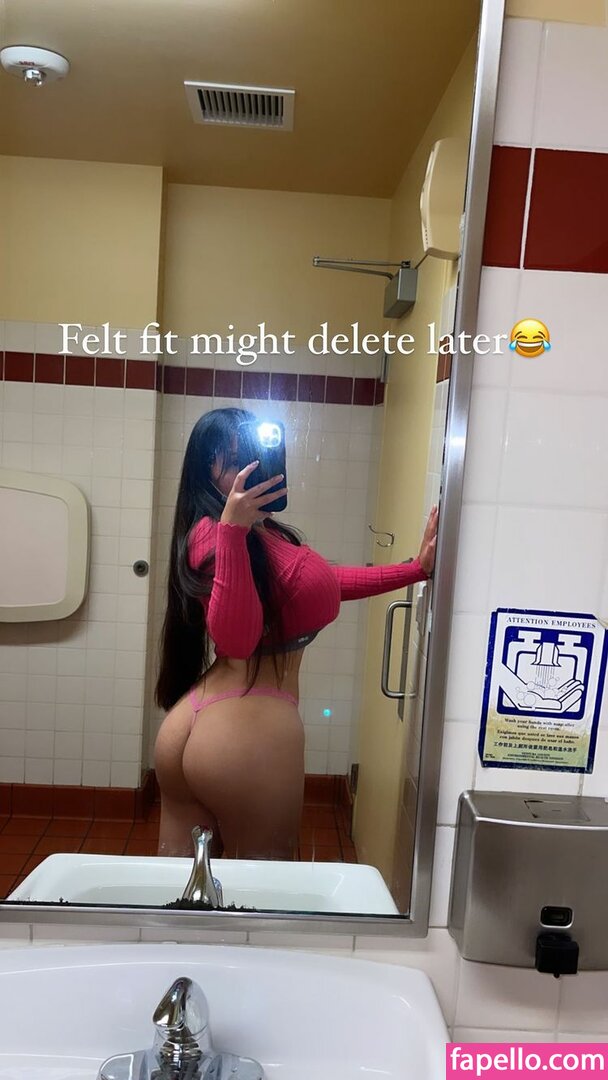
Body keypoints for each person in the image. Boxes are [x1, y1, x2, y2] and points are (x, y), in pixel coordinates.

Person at [154, 407, 437, 860]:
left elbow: (320, 584)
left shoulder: (259, 530)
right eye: (232, 460)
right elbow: (238, 640)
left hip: (208, 721)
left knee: (182, 889)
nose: (248, 468)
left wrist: (414, 570)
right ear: (205, 470)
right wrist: (232, 533)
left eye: (252, 455)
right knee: (264, 888)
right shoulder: (215, 535)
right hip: (245, 733)